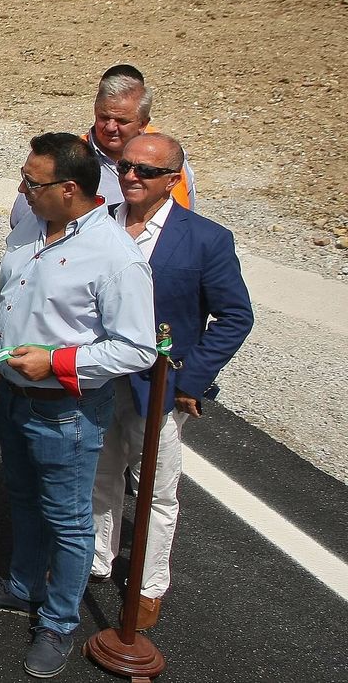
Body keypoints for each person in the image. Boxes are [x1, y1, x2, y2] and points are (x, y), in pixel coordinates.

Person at [0, 133, 158, 679]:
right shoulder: (31, 224)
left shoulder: (115, 257)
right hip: (13, 396)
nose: (23, 188)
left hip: (66, 410)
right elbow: (11, 299)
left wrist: (56, 362)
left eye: (32, 181)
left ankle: (59, 622)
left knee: (68, 520)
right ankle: (23, 586)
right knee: (23, 498)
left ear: (69, 189)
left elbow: (136, 348)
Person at [91, 132, 252, 630]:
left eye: (146, 170)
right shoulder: (97, 223)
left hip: (157, 387)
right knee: (100, 473)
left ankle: (147, 585)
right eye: (126, 167)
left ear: (173, 180)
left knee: (157, 490)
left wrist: (190, 381)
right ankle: (96, 559)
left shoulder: (206, 239)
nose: (131, 176)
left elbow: (234, 316)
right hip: (100, 378)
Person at [11, 65, 196, 228]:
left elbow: (187, 218)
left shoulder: (170, 160)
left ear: (143, 123)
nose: (110, 127)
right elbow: (21, 221)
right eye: (104, 117)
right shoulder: (67, 160)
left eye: (122, 121)